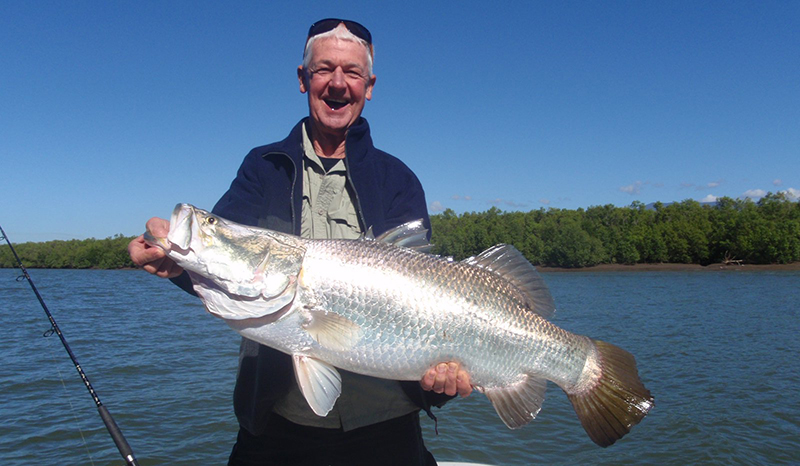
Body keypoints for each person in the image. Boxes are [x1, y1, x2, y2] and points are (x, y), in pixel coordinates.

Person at [128, 18, 471, 466]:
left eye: (351, 72)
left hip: (387, 429)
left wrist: (443, 383)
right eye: (324, 69)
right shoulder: (263, 167)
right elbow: (226, 271)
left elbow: (425, 304)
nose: (337, 83)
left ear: (369, 86)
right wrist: (175, 263)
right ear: (302, 78)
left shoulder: (398, 180)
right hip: (277, 428)